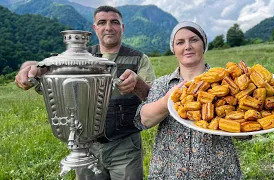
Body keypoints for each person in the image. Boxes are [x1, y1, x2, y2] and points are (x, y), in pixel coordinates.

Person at [14, 5, 155, 180]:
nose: (108, 27)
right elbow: (46, 68)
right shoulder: (77, 58)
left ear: (122, 27)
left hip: (125, 145)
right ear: (94, 28)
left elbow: (152, 98)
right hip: (85, 146)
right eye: (102, 22)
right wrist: (27, 68)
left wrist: (138, 84)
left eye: (114, 22)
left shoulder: (139, 59)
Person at [134, 21, 243, 179]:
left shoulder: (226, 82)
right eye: (180, 42)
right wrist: (168, 101)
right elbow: (145, 120)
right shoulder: (164, 84)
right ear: (174, 49)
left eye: (194, 40)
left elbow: (245, 130)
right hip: (170, 171)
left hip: (218, 171)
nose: (187, 46)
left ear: (203, 44)